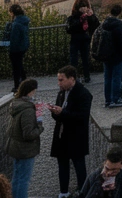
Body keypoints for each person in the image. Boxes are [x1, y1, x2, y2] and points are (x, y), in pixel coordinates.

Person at [49, 65, 93, 198]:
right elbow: (59, 116)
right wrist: (55, 113)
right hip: (62, 135)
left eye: (61, 80)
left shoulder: (84, 94)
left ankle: (83, 191)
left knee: (79, 165)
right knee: (62, 164)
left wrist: (62, 112)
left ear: (72, 79)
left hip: (76, 135)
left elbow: (82, 117)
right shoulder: (62, 92)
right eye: (58, 80)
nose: (59, 83)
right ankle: (63, 192)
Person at [6, 79, 44, 198]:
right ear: (31, 91)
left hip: (15, 147)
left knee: (16, 177)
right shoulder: (27, 109)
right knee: (24, 180)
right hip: (25, 150)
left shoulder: (16, 103)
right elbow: (28, 134)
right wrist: (40, 127)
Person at [97, 4, 122, 107]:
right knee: (116, 77)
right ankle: (115, 99)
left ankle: (108, 100)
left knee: (107, 77)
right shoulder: (118, 24)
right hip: (117, 54)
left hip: (106, 54)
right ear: (120, 13)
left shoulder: (104, 23)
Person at [67, 0, 100, 84]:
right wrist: (80, 20)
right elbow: (69, 29)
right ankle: (73, 77)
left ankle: (87, 76)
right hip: (75, 40)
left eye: (85, 6)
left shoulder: (89, 17)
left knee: (86, 59)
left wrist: (91, 16)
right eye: (81, 7)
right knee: (74, 60)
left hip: (85, 40)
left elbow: (97, 26)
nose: (83, 9)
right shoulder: (73, 17)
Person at [5, 3, 31, 91]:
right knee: (19, 65)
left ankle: (17, 86)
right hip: (23, 46)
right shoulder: (24, 21)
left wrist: (9, 48)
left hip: (16, 49)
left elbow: (14, 38)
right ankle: (24, 82)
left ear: (12, 13)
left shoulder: (16, 24)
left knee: (16, 67)